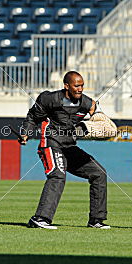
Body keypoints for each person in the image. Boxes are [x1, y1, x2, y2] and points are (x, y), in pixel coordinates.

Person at [19, 71, 111, 229]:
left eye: (82, 85)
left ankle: (96, 220)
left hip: (69, 146)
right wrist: (25, 133)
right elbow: (33, 117)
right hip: (50, 143)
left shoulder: (87, 102)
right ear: (66, 86)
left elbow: (97, 114)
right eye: (76, 85)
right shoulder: (49, 98)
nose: (80, 89)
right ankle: (40, 219)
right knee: (57, 175)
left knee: (99, 174)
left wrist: (100, 118)